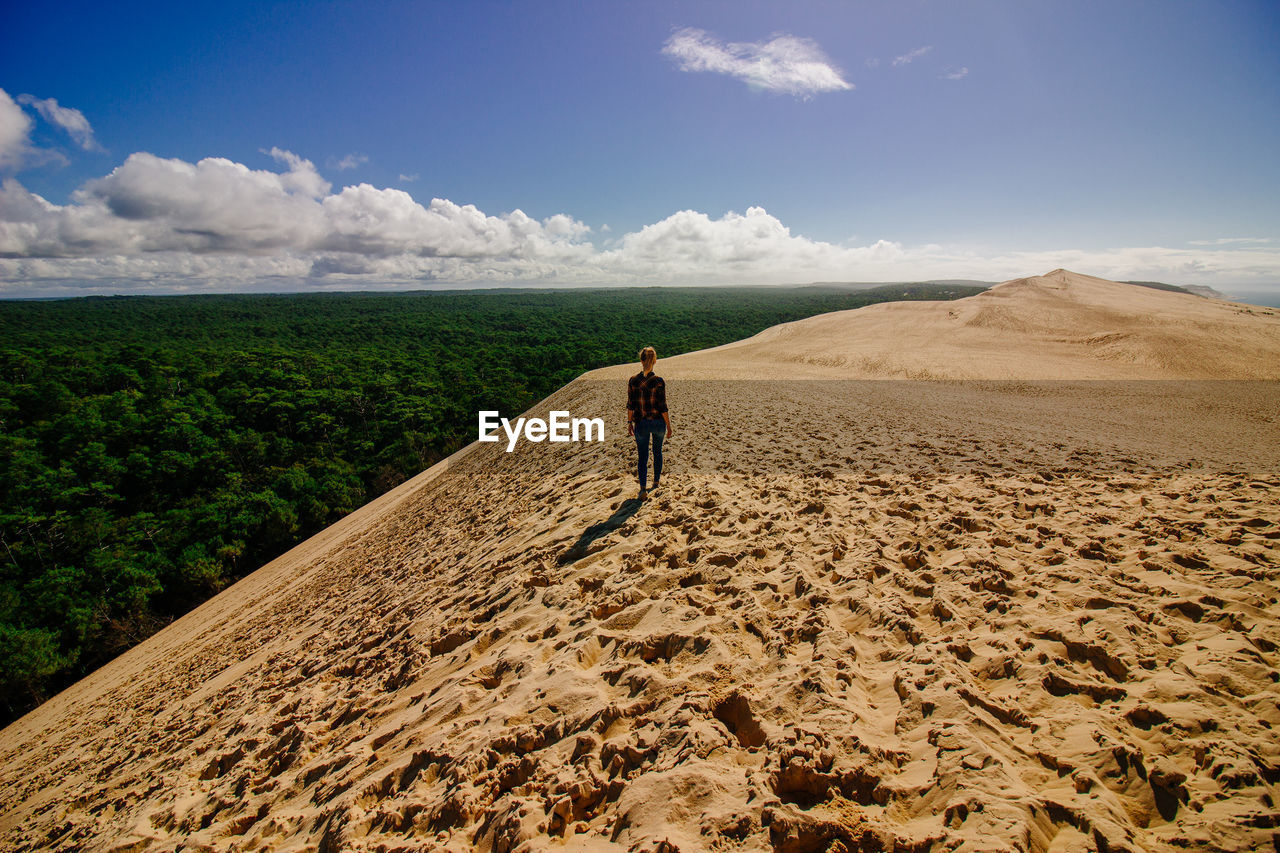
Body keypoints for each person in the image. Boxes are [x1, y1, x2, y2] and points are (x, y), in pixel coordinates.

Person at [626, 346, 672, 496]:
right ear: (655, 361)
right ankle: (656, 482)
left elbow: (631, 405)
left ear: (641, 360)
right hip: (658, 422)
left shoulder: (633, 381)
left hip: (641, 424)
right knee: (657, 452)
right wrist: (669, 426)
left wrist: (629, 423)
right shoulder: (659, 381)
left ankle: (642, 488)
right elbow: (663, 406)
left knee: (642, 456)